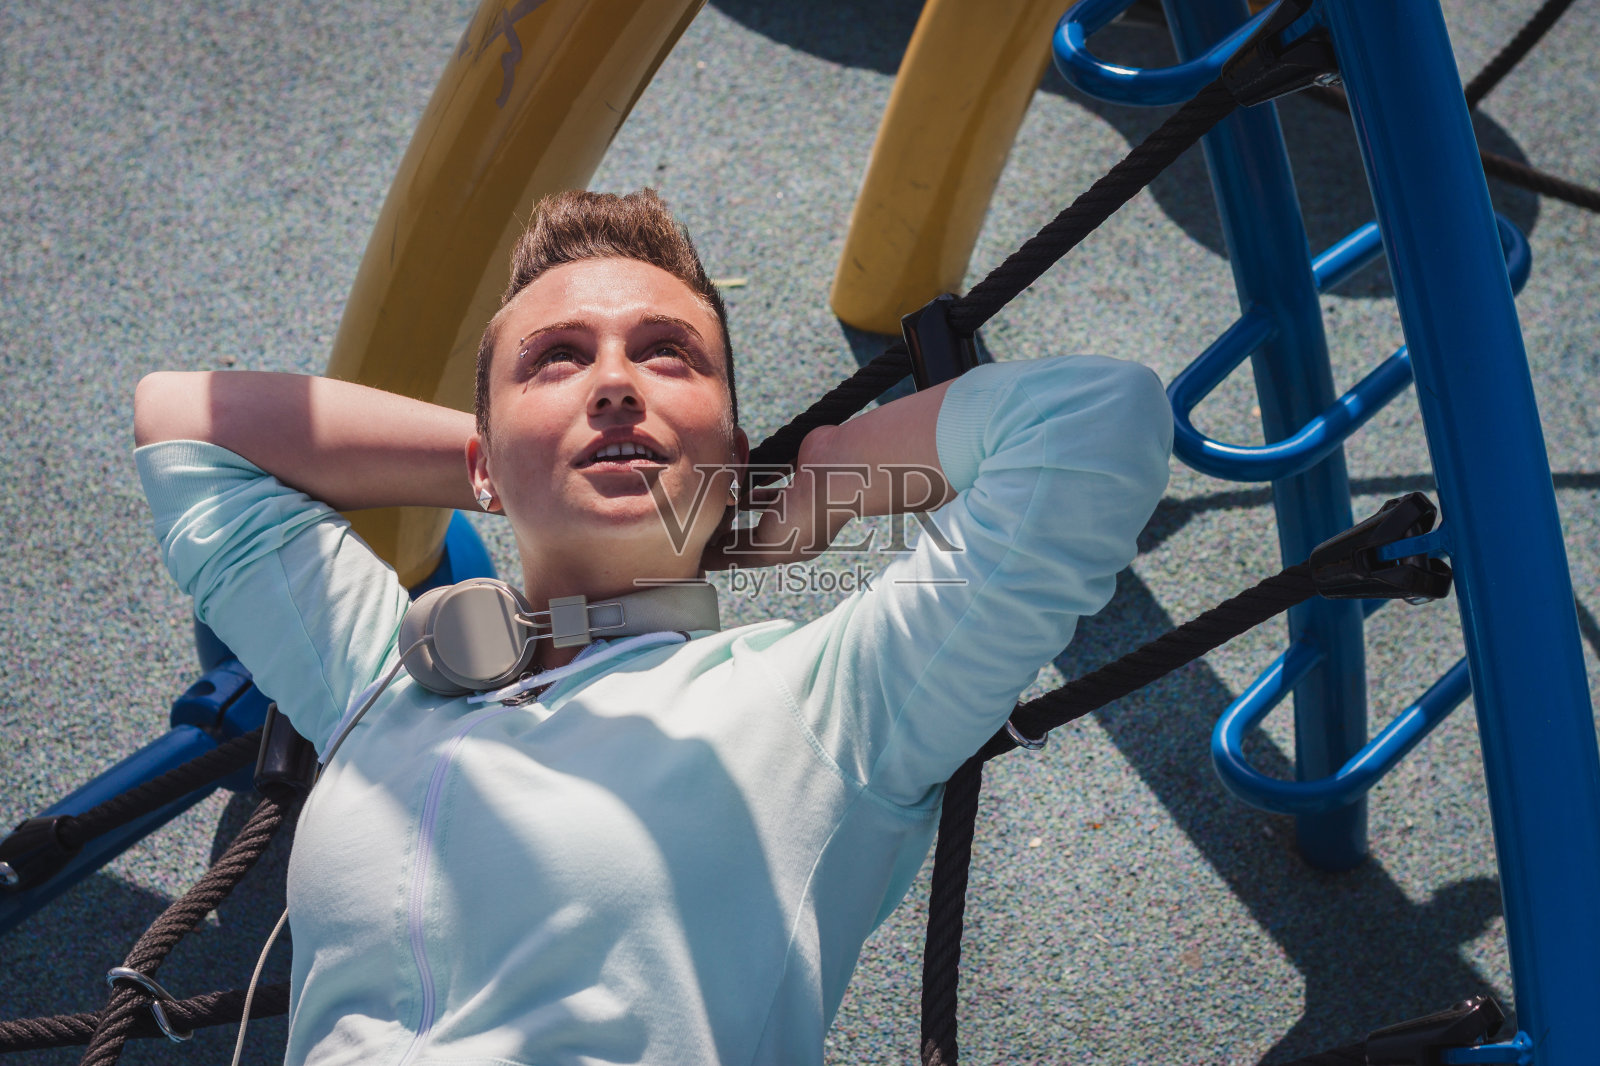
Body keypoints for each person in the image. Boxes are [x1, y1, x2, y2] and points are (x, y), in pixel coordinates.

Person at [132, 188, 1172, 1065]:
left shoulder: (825, 706)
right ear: (479, 462)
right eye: (558, 358)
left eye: (668, 355)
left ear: (733, 449)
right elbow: (184, 423)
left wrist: (819, 481)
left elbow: (1094, 420)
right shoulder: (383, 676)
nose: (617, 384)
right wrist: (507, 461)